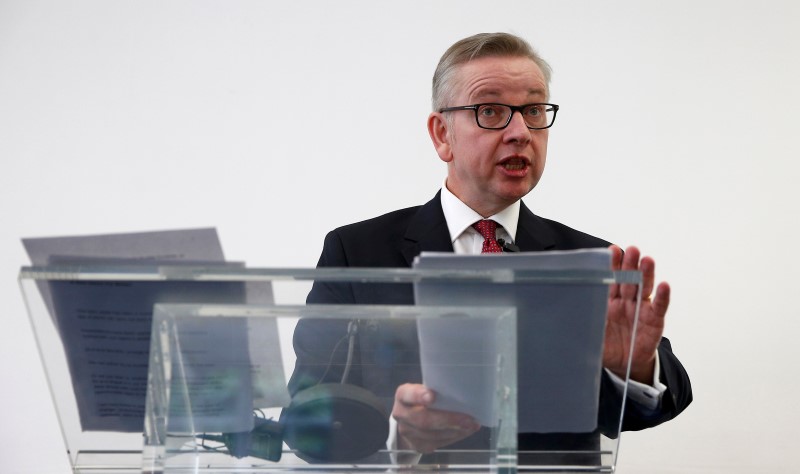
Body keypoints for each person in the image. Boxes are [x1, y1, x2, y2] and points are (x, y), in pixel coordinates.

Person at [285, 32, 692, 461]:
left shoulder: (593, 260)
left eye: (534, 110)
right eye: (491, 111)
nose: (520, 132)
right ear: (442, 134)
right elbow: (306, 414)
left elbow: (663, 400)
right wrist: (397, 433)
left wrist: (633, 366)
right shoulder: (356, 251)